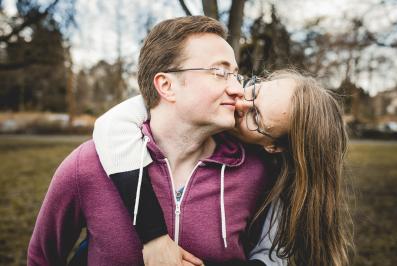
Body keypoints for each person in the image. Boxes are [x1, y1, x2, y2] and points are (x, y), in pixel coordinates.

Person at [28, 16, 275, 266]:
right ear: (166, 85)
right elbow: (42, 259)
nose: (237, 89)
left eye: (235, 74)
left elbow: (269, 256)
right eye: (219, 72)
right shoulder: (88, 165)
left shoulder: (254, 171)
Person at [93, 70, 353, 266]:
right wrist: (154, 238)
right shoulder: (204, 102)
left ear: (274, 146)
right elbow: (112, 124)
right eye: (254, 90)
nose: (240, 104)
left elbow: (269, 258)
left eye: (256, 117)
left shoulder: (274, 184)